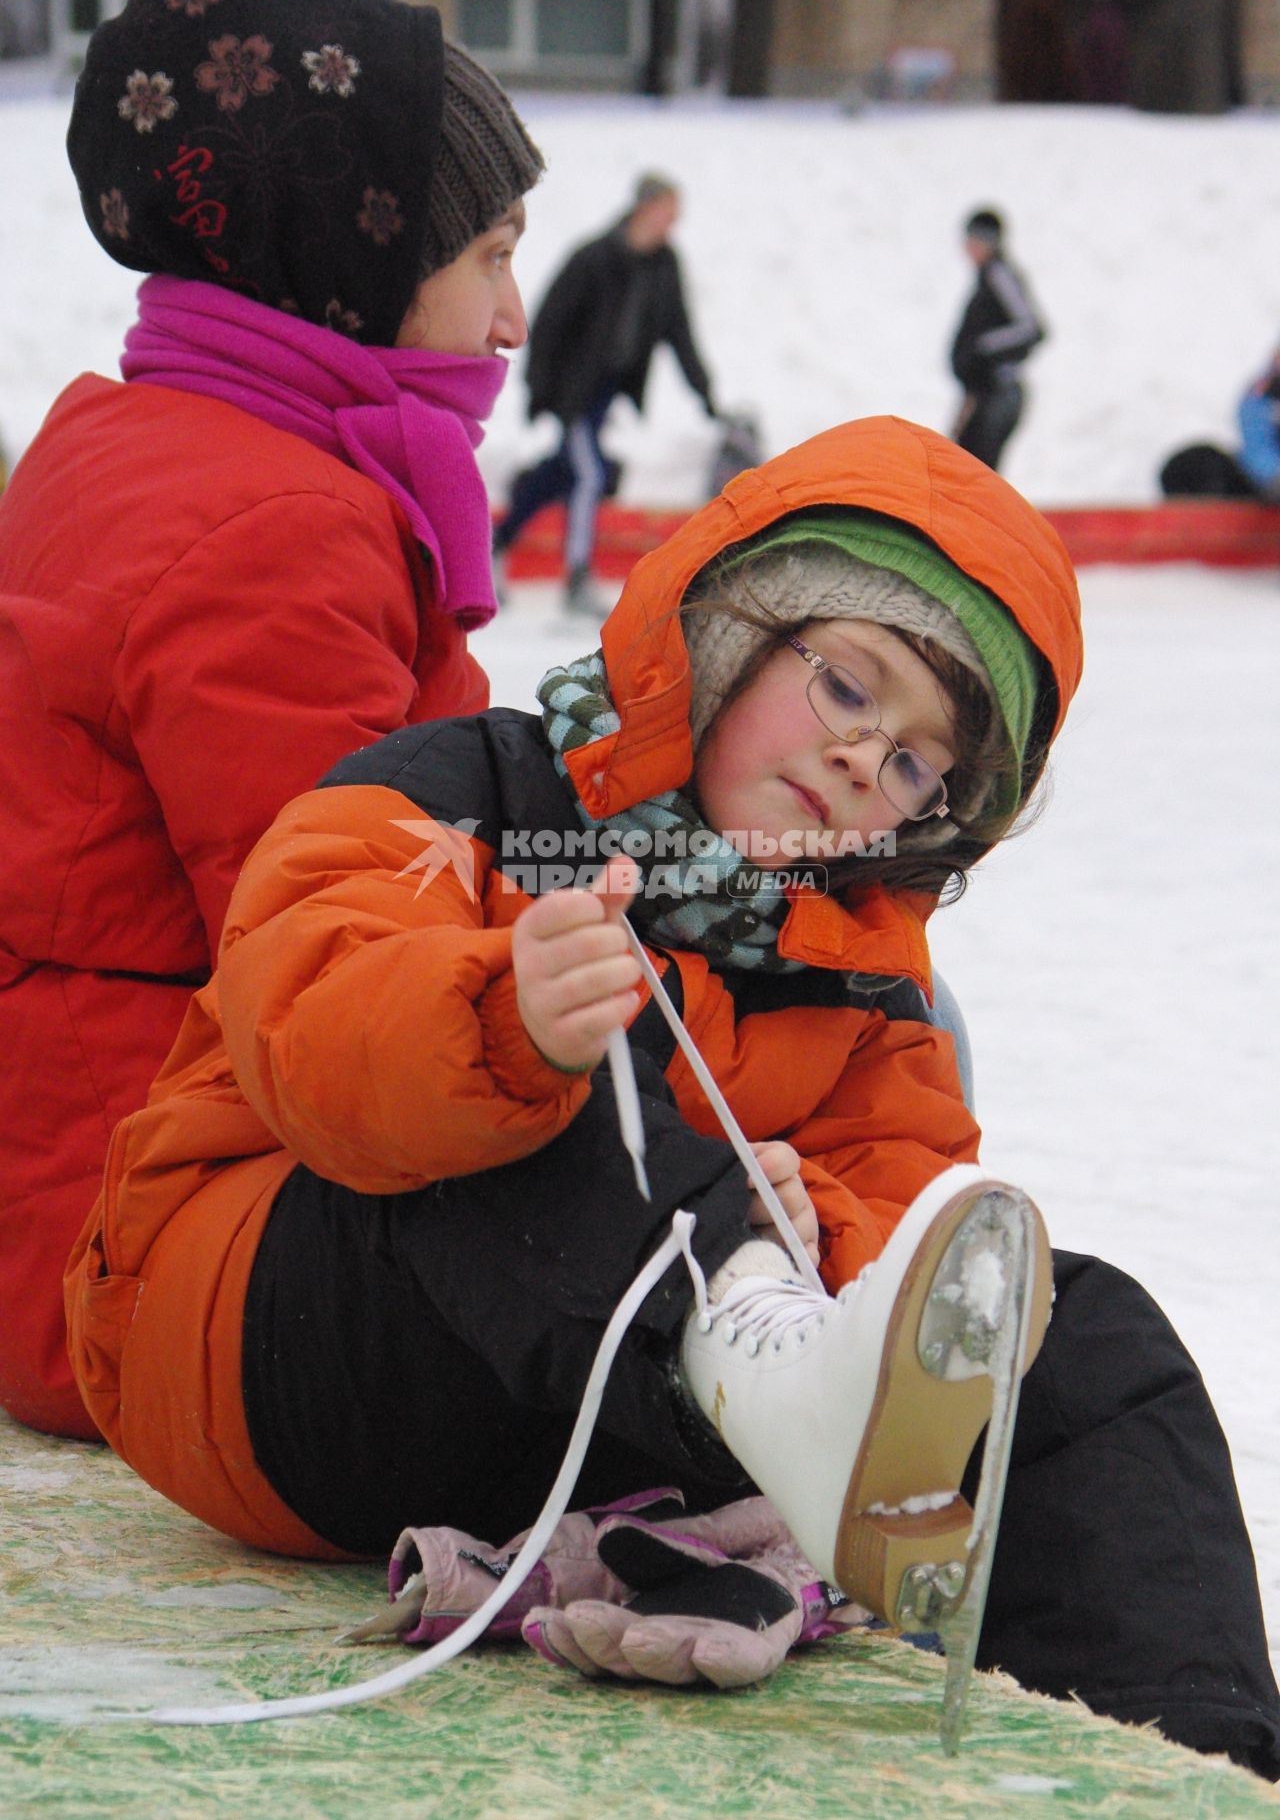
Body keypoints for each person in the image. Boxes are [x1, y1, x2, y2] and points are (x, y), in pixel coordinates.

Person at [65, 417, 1279, 1778]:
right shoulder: (467, 790)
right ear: (727, 633)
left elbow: (903, 1201)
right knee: (567, 1087)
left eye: (917, 765)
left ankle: (1212, 1765)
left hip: (603, 1414)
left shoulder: (864, 975)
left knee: (1071, 1327)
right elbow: (303, 1021)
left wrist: (808, 1226)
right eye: (845, 686)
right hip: (264, 1345)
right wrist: (500, 1019)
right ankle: (762, 1360)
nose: (862, 762)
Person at [0, 0, 544, 1441]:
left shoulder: (137, 435)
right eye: (489, 253)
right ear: (354, 257)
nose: (513, 319)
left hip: (75, 1172)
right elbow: (352, 957)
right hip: (147, 1244)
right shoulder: (274, 533)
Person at [491, 172, 718, 616]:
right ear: (645, 208)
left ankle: (493, 545)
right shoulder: (594, 258)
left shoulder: (663, 266)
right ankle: (577, 578)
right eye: (667, 211)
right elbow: (551, 321)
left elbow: (678, 330)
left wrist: (703, 392)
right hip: (572, 393)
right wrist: (539, 390)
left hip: (605, 395)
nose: (672, 222)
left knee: (565, 473)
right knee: (591, 475)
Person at [949, 208, 1046, 473]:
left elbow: (1032, 328)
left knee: (974, 474)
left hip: (998, 392)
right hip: (985, 393)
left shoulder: (998, 273)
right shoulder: (987, 276)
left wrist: (982, 349)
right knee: (967, 469)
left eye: (973, 239)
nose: (967, 246)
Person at [1159, 344, 1280, 500]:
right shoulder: (1265, 391)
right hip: (1262, 486)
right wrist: (1273, 475)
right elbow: (1256, 443)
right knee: (1190, 465)